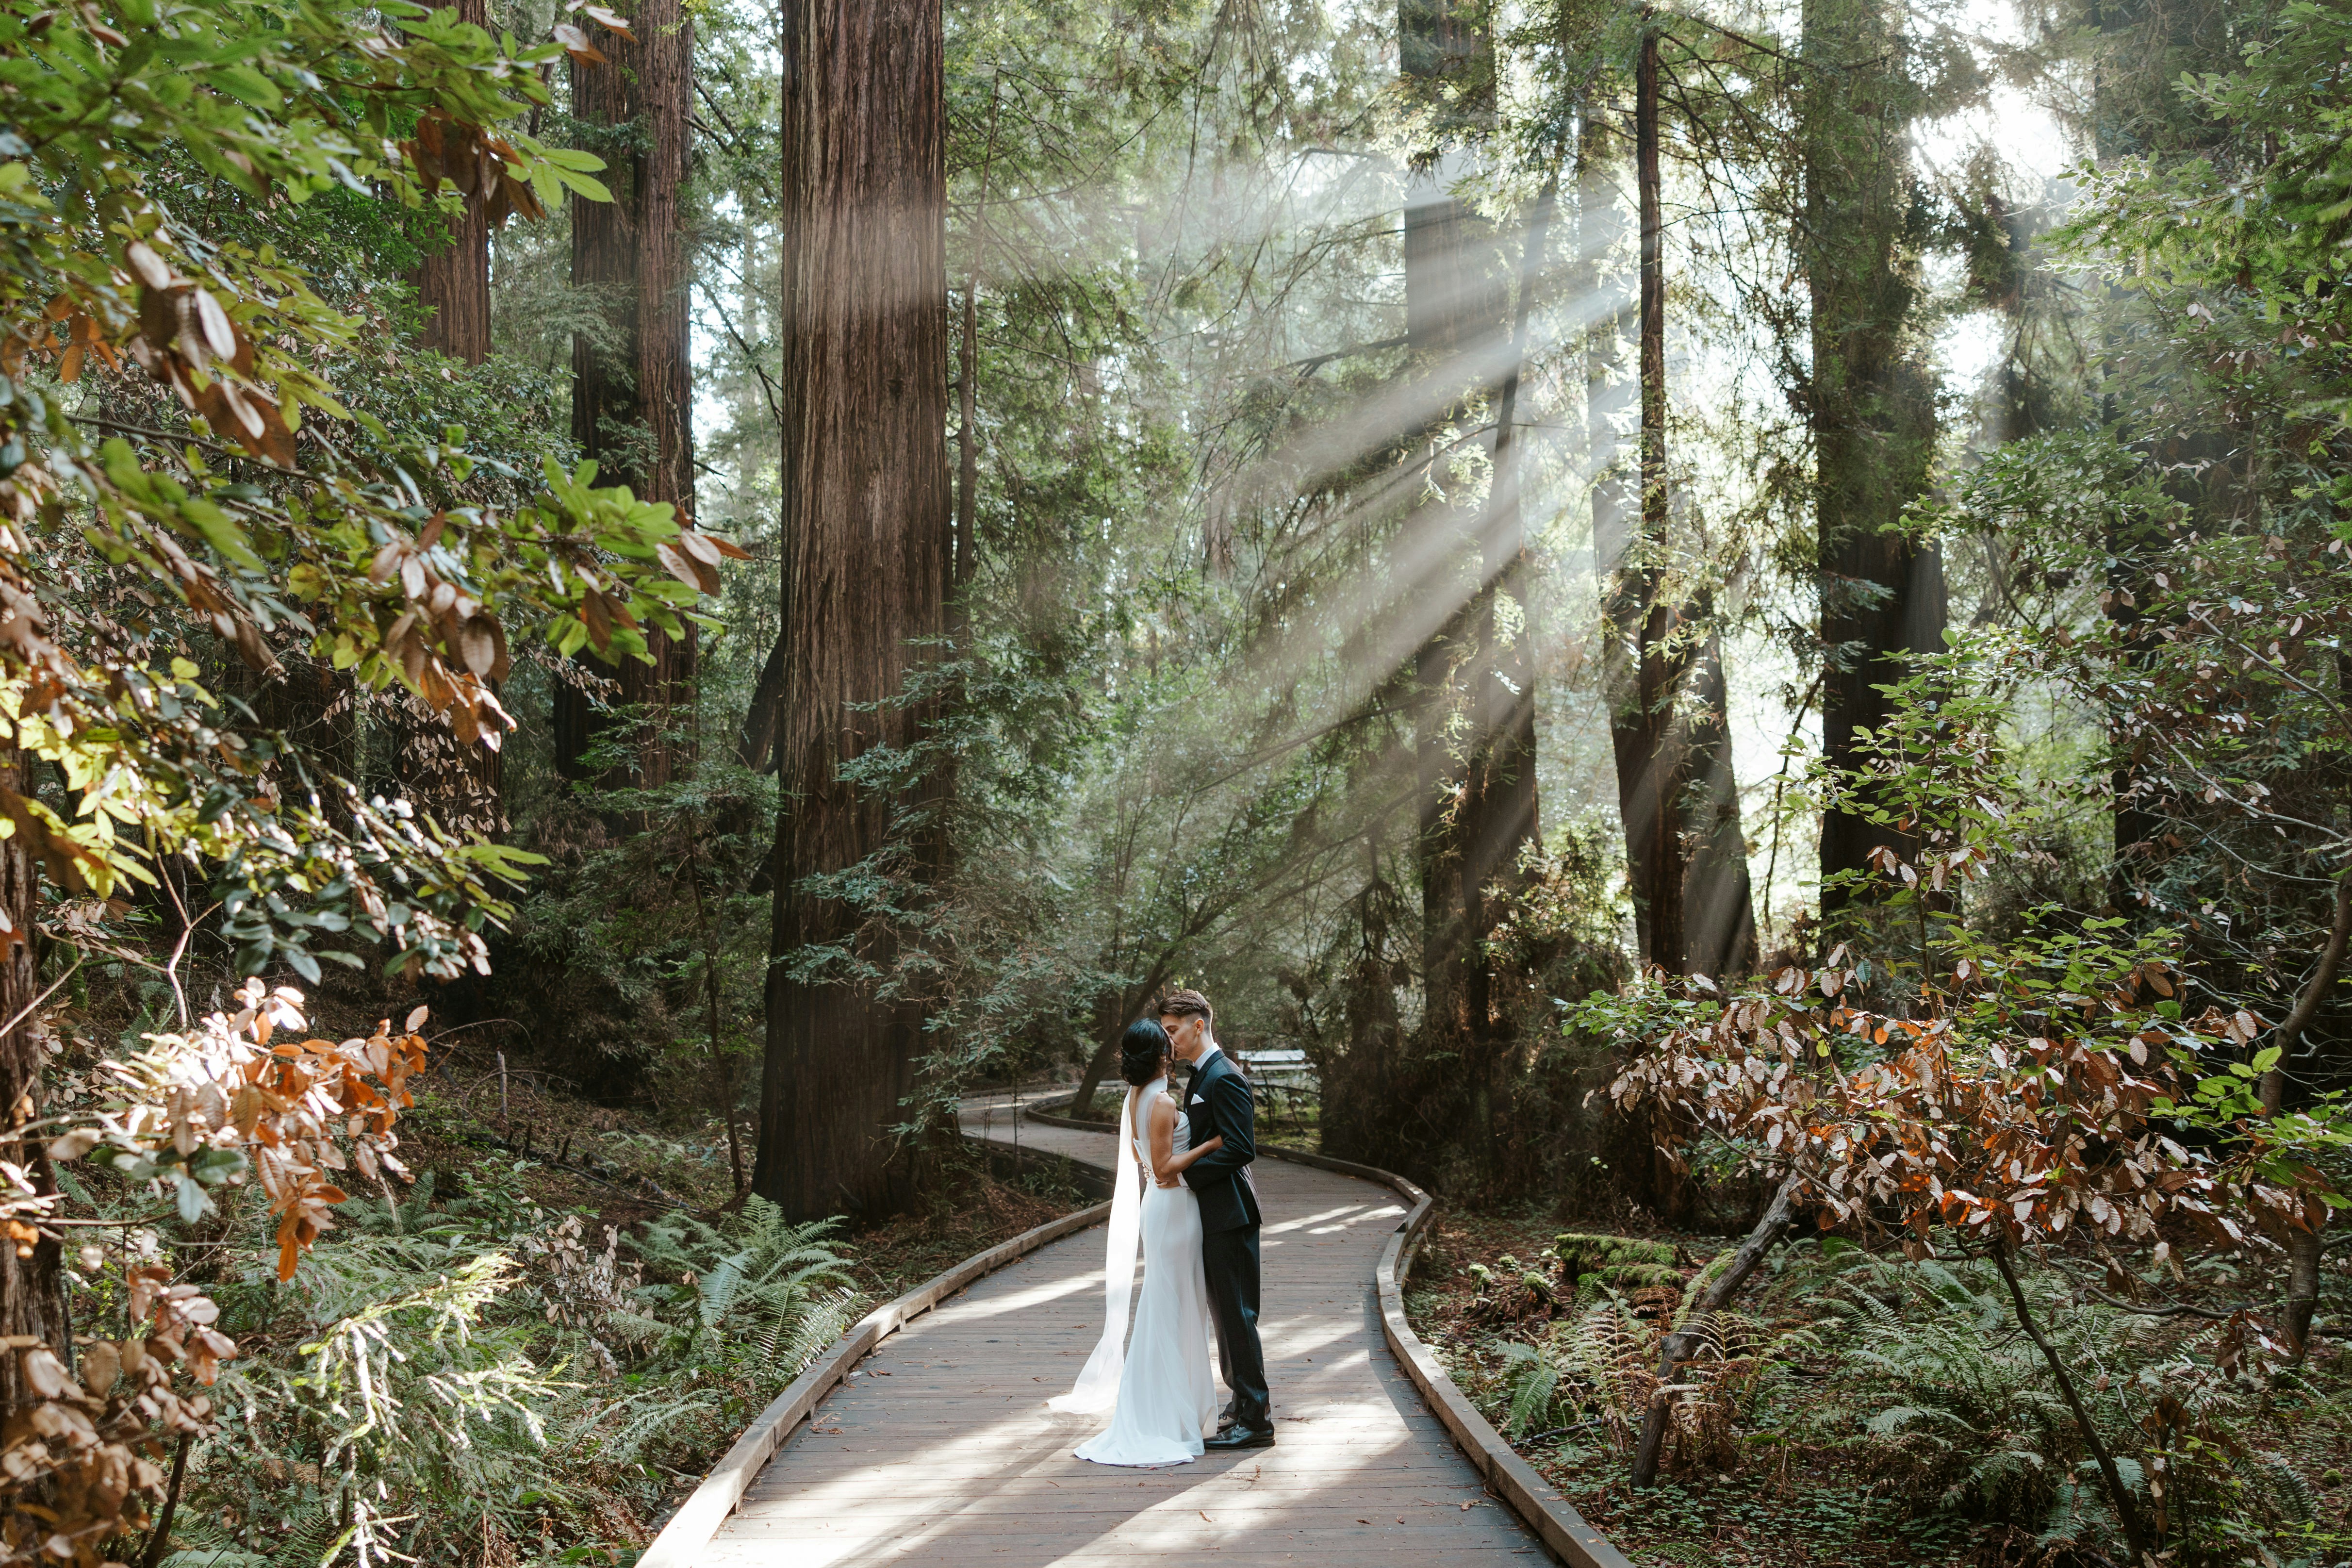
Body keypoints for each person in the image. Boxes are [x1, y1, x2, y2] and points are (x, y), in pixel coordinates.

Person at [1051, 1018, 1227, 1465]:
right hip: (1175, 1207)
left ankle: (1167, 1406)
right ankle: (1171, 1413)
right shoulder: (1163, 1102)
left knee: (1166, 1302)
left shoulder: (1135, 1097)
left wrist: (1158, 1163)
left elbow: (1138, 1156)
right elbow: (1167, 1169)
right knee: (1177, 1305)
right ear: (1162, 1056)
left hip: (1157, 1206)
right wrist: (1210, 1145)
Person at [1158, 988, 1273, 1450]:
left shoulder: (1223, 1077)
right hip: (1214, 1212)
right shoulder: (1202, 1075)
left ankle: (1257, 1420)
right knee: (1225, 1315)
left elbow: (1242, 1147)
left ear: (1198, 1024)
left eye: (1173, 1030)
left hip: (1231, 1212)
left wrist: (1185, 1178)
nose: (1169, 1040)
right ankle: (1240, 1404)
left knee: (1238, 1315)